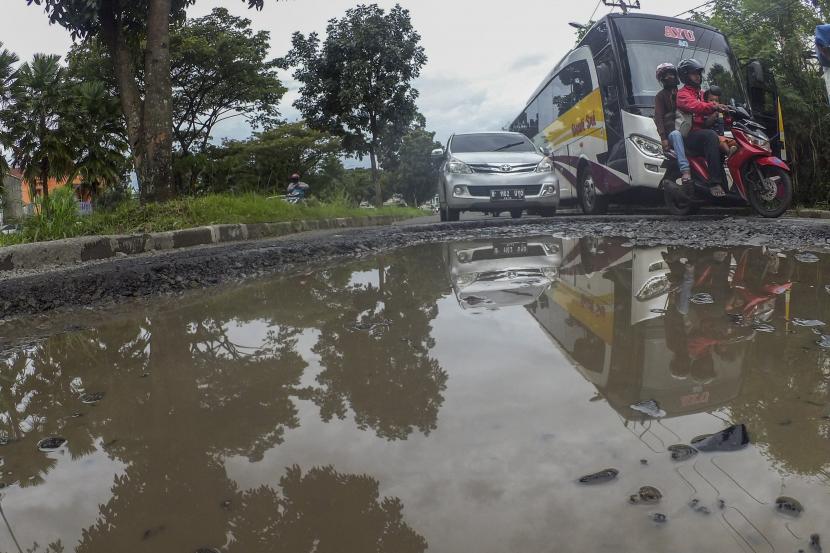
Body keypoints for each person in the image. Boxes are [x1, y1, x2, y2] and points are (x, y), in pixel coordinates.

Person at [676, 59, 730, 197]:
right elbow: (696, 106)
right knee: (711, 136)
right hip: (689, 136)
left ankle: (727, 187)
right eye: (694, 73)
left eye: (699, 73)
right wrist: (713, 106)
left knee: (723, 145)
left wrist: (727, 110)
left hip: (702, 134)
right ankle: (714, 183)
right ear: (685, 76)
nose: (698, 76)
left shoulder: (702, 94)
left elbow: (712, 105)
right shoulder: (683, 94)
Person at [653, 63, 692, 186]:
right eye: (666, 75)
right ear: (662, 79)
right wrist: (663, 138)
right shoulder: (660, 96)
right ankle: (685, 170)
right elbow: (658, 117)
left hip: (688, 130)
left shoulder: (684, 93)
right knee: (675, 134)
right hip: (673, 134)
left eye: (671, 74)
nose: (669, 77)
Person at [702, 86, 738, 157]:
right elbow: (706, 124)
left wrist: (727, 113)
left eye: (716, 100)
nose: (714, 103)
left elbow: (728, 123)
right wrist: (715, 113)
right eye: (711, 100)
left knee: (738, 143)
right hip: (713, 139)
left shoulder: (721, 113)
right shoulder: (706, 112)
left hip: (723, 137)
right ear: (706, 101)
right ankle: (729, 154)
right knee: (721, 142)